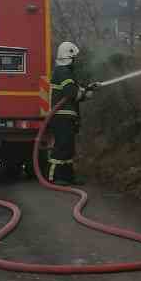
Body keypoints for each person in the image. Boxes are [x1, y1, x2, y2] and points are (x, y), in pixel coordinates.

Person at [47, 41, 94, 185]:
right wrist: (85, 93)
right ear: (69, 57)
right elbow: (71, 92)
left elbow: (74, 92)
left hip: (67, 116)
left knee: (68, 148)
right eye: (74, 58)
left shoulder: (66, 73)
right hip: (61, 116)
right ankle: (54, 177)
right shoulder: (63, 72)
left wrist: (87, 90)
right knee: (61, 147)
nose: (75, 61)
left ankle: (67, 177)